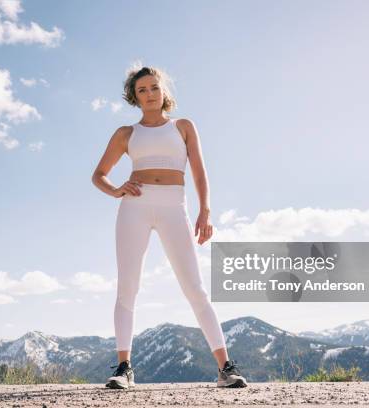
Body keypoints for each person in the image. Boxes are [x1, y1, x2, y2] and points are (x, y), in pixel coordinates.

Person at [91, 66, 247, 389]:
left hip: (174, 207)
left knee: (195, 287)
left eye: (154, 87)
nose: (149, 94)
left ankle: (225, 368)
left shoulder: (184, 127)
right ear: (134, 96)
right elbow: (99, 175)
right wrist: (118, 189)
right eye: (142, 90)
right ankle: (124, 368)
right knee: (128, 287)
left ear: (164, 92)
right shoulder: (126, 134)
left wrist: (205, 210)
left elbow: (200, 173)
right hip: (134, 208)